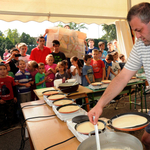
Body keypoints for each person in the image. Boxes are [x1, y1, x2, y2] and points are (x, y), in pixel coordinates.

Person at [87, 2, 150, 149]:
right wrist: (100, 104)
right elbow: (122, 77)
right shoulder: (140, 45)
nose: (138, 36)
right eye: (135, 31)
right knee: (146, 141)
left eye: (139, 30)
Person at [0, 63, 17, 130]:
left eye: (4, 69)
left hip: (10, 99)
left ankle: (10, 124)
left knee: (10, 112)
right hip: (1, 100)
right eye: (0, 69)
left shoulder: (10, 79)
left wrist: (15, 97)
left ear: (7, 70)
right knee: (1, 114)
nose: (3, 71)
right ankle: (3, 125)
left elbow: (14, 88)